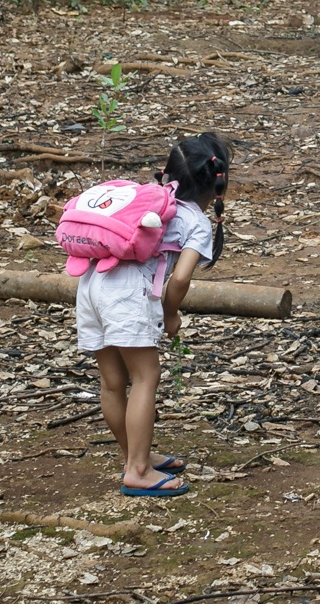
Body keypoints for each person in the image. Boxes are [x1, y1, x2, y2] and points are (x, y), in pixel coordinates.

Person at [76, 132, 227, 496]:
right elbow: (180, 279)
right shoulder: (195, 221)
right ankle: (138, 470)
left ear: (168, 172)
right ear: (216, 186)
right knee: (146, 377)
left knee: (112, 382)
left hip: (91, 284)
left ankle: (135, 457)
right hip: (127, 294)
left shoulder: (149, 198)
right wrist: (170, 314)